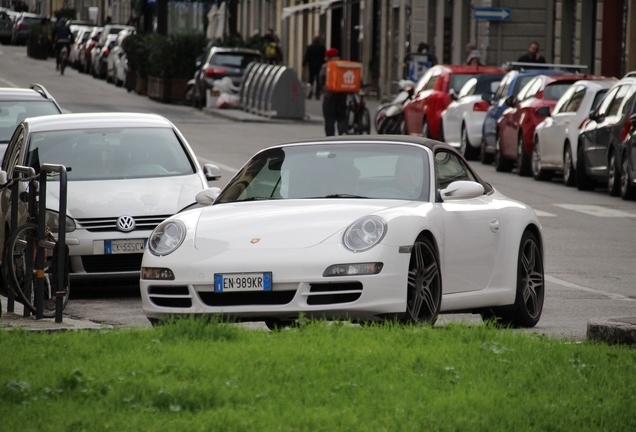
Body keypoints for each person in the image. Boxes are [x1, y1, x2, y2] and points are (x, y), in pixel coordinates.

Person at [319, 47, 348, 137]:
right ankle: (343, 133)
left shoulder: (326, 66)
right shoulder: (343, 64)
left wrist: (323, 88)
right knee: (341, 116)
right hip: (342, 94)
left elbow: (321, 78)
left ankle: (330, 137)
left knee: (329, 118)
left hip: (329, 95)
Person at [303, 35, 326, 100]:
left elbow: (307, 56)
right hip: (320, 66)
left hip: (311, 66)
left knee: (310, 80)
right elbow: (324, 57)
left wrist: (304, 65)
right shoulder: (322, 47)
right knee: (318, 80)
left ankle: (310, 93)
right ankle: (317, 94)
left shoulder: (310, 47)